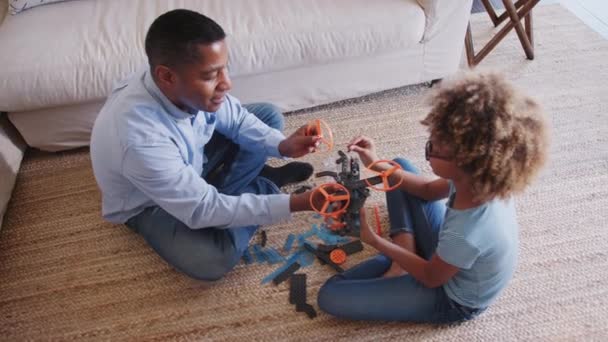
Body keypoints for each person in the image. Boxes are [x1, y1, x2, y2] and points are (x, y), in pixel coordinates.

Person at [90, 9, 322, 282]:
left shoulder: (173, 80)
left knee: (268, 116)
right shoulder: (141, 141)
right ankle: (261, 185)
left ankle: (246, 186)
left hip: (188, 161)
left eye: (225, 67)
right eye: (212, 75)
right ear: (166, 77)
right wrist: (294, 204)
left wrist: (283, 146)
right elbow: (203, 210)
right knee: (212, 261)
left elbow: (235, 119)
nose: (227, 83)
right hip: (149, 203)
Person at [317, 71, 549, 323]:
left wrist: (372, 238)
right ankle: (404, 254)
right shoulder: (480, 178)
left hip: (451, 298)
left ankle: (401, 257)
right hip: (447, 256)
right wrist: (374, 163)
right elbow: (427, 191)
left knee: (330, 296)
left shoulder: (467, 230)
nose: (428, 150)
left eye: (432, 148)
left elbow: (430, 277)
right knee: (398, 166)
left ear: (464, 162)